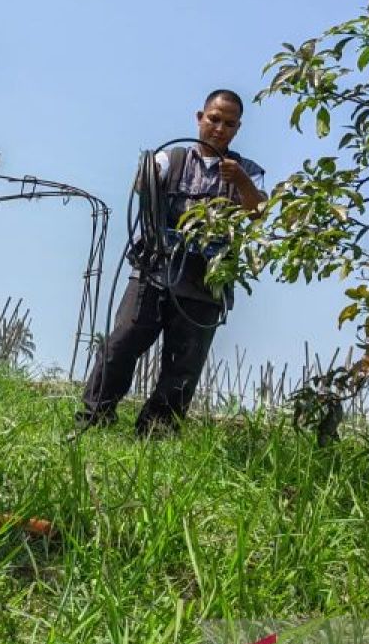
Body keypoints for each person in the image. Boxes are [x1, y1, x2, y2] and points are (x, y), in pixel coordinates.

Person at [76, 89, 266, 437]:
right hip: (154, 271)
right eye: (214, 119)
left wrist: (239, 181)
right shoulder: (171, 157)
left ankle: (154, 436)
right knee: (121, 343)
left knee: (184, 365)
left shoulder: (247, 171)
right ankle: (93, 419)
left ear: (237, 129)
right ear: (200, 118)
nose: (220, 128)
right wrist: (147, 174)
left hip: (205, 283)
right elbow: (142, 182)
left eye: (229, 123)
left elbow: (258, 213)